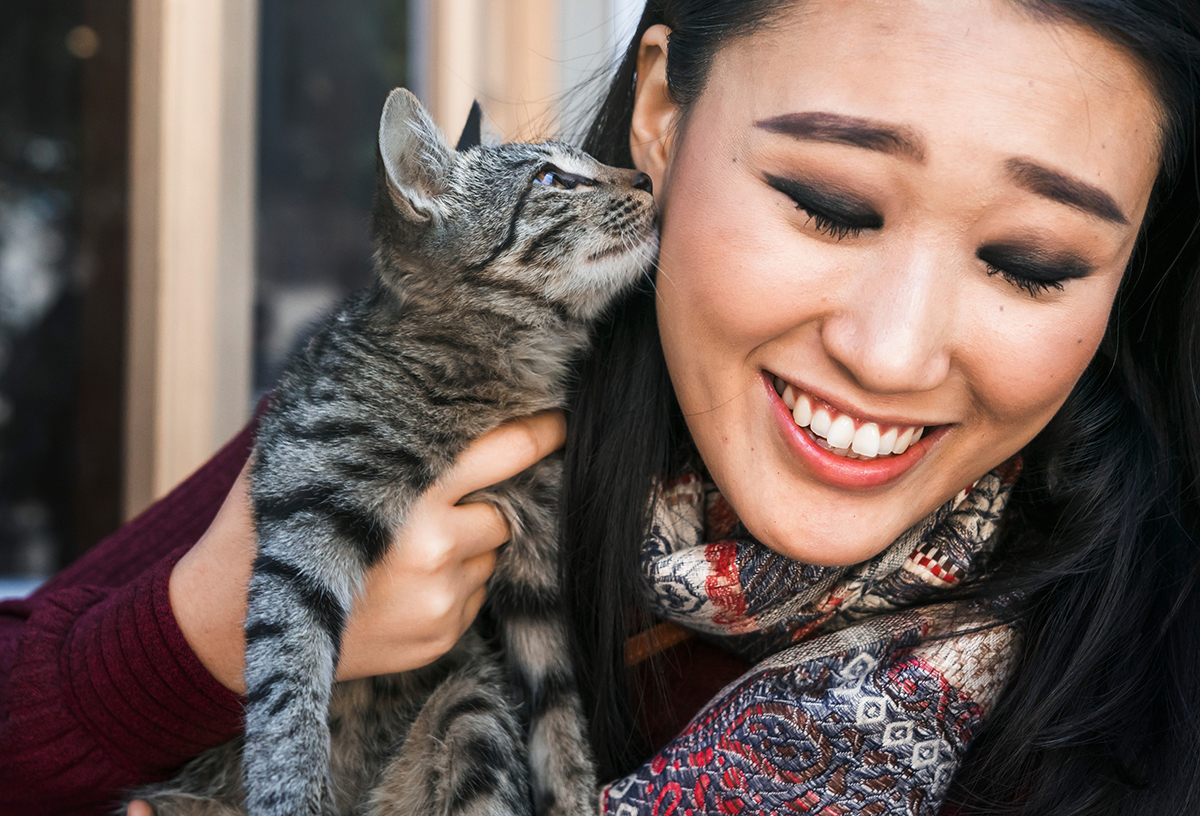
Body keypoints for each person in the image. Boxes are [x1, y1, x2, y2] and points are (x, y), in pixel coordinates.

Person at [3, 0, 1199, 813]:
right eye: (831, 202)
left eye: (1032, 262)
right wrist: (196, 637)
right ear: (662, 118)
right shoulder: (438, 404)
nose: (888, 355)